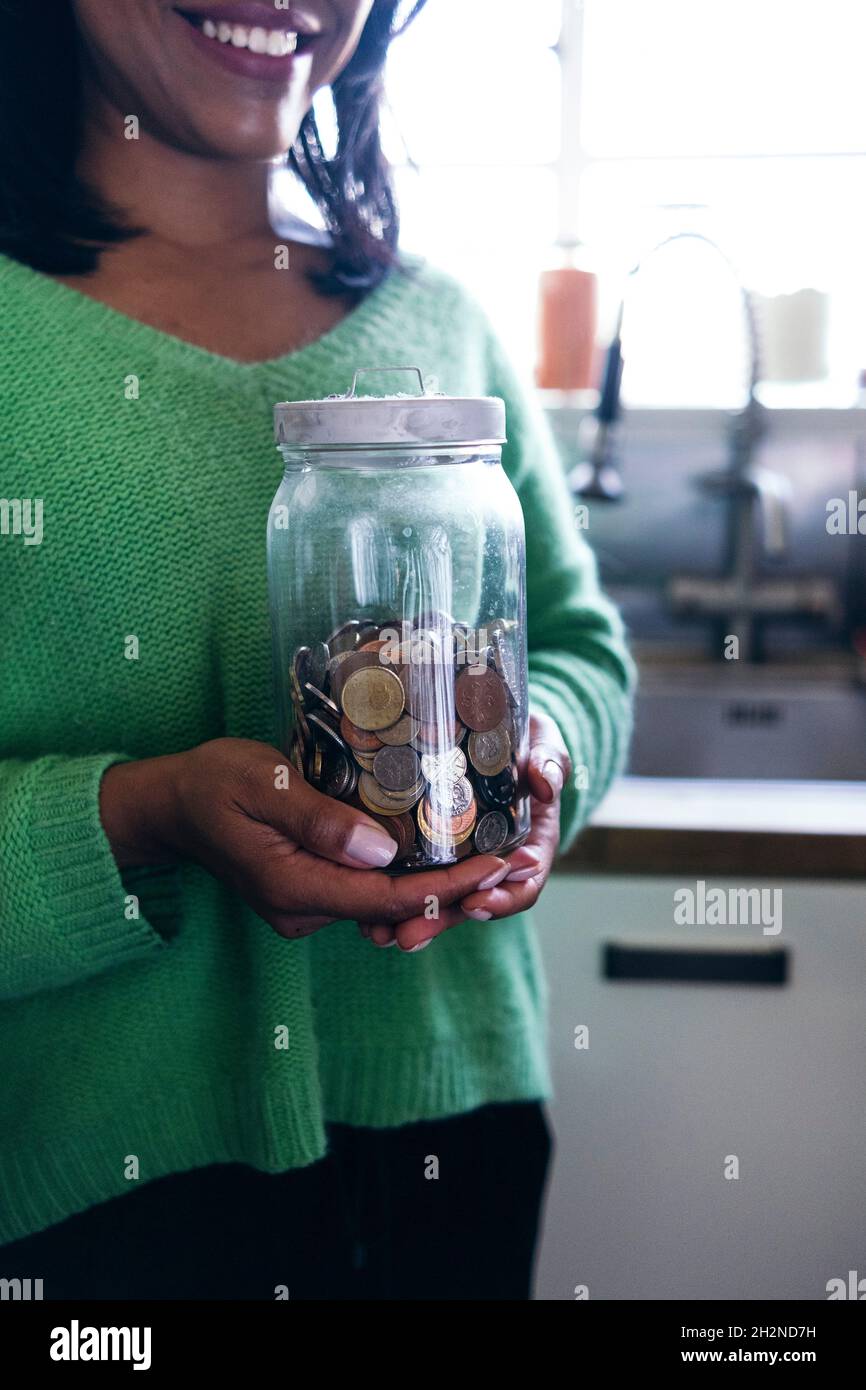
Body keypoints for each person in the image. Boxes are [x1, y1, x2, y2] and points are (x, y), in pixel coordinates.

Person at [0, 0, 634, 1300]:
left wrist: (545, 741)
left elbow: (577, 649)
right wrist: (141, 815)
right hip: (96, 1199)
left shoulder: (437, 325)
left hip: (450, 1128)